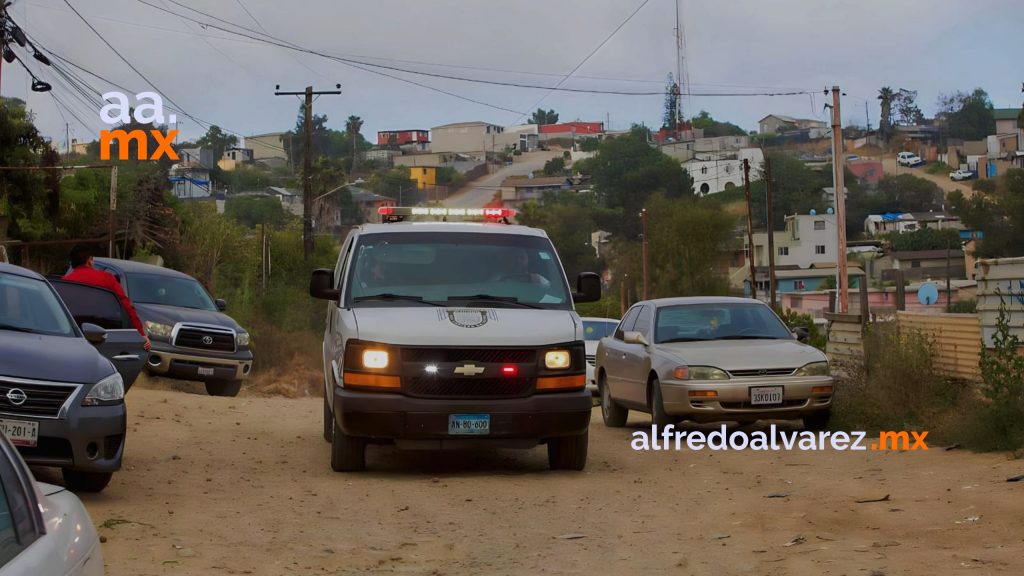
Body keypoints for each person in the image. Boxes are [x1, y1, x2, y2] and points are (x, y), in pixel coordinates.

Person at [63, 244, 151, 351]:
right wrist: (141, 334)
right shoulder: (107, 278)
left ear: (72, 263)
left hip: (71, 334)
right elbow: (126, 305)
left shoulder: (65, 282)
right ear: (90, 260)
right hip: (104, 336)